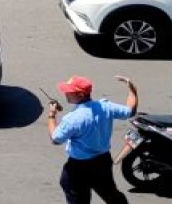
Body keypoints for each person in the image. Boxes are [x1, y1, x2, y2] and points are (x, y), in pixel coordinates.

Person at [47, 74, 138, 204]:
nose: (65, 93)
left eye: (69, 91)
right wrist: (132, 89)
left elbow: (55, 139)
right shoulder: (106, 106)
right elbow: (130, 110)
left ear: (80, 95)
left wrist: (51, 115)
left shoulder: (73, 119)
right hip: (103, 162)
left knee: (76, 196)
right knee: (111, 194)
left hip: (79, 168)